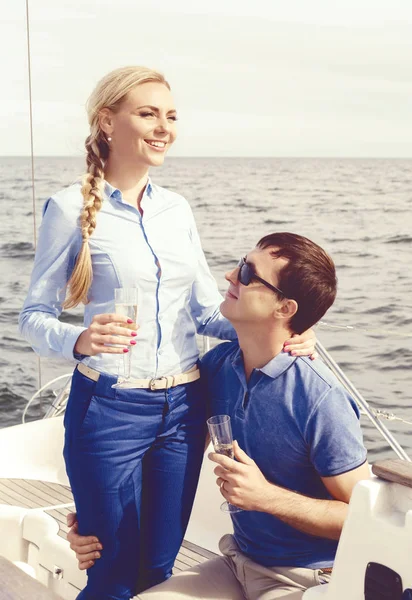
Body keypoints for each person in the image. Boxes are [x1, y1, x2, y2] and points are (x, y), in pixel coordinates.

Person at [18, 65, 316, 600]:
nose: (164, 127)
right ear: (107, 121)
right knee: (109, 574)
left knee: (159, 571)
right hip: (106, 411)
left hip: (185, 408)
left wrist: (286, 331)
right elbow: (32, 316)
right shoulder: (68, 209)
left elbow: (205, 314)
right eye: (148, 113)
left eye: (171, 116)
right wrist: (78, 340)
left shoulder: (176, 210)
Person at [68, 231, 370, 600]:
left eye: (247, 273)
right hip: (234, 564)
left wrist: (265, 498)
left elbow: (363, 518)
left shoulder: (321, 399)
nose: (229, 275)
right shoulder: (216, 367)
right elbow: (155, 448)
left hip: (307, 579)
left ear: (285, 309)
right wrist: (91, 522)